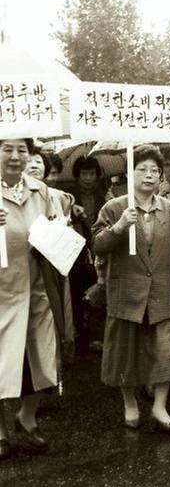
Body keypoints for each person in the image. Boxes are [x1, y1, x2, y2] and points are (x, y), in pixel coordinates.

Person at [92, 145, 170, 433]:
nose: (149, 175)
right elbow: (98, 246)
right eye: (142, 169)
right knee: (126, 351)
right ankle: (130, 403)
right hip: (126, 291)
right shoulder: (114, 208)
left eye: (155, 170)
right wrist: (120, 227)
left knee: (164, 352)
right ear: (130, 173)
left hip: (161, 289)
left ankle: (160, 407)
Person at [0, 139, 62, 458]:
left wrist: (55, 232)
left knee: (41, 357)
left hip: (37, 287)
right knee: (1, 360)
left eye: (21, 150)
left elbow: (57, 231)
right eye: (7, 149)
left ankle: (27, 416)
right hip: (1, 291)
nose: (15, 156)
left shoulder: (41, 191)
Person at [26, 148, 76, 362]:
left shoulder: (54, 195)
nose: (34, 164)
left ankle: (55, 360)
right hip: (22, 263)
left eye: (39, 161)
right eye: (29, 160)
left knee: (51, 309)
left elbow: (63, 223)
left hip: (48, 260)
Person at [68, 155, 107, 355]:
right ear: (77, 176)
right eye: (84, 173)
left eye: (92, 174)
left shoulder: (103, 197)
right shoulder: (68, 196)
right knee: (75, 293)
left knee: (97, 294)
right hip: (74, 254)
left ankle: (95, 336)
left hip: (97, 253)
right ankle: (76, 331)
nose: (88, 178)